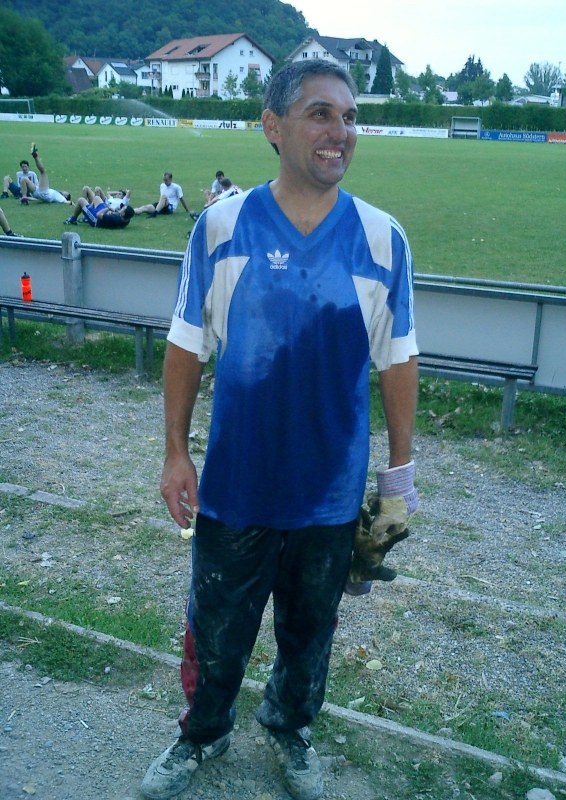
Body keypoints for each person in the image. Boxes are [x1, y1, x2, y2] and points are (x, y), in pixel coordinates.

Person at [141, 60, 419, 800]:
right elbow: (184, 345)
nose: (341, 132)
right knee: (219, 629)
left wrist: (397, 482)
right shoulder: (221, 227)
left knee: (309, 635)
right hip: (236, 485)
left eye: (350, 117)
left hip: (330, 496)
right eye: (321, 114)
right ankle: (202, 735)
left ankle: (291, 728)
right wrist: (175, 453)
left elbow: (398, 361)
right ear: (274, 126)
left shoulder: (383, 239)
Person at [64, 194, 135, 229]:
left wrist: (108, 209)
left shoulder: (114, 218)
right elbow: (118, 215)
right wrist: (112, 211)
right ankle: (86, 216)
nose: (121, 208)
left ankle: (73, 220)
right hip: (105, 215)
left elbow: (98, 215)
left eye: (123, 209)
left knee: (80, 200)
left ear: (123, 213)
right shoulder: (127, 219)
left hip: (96, 220)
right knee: (97, 198)